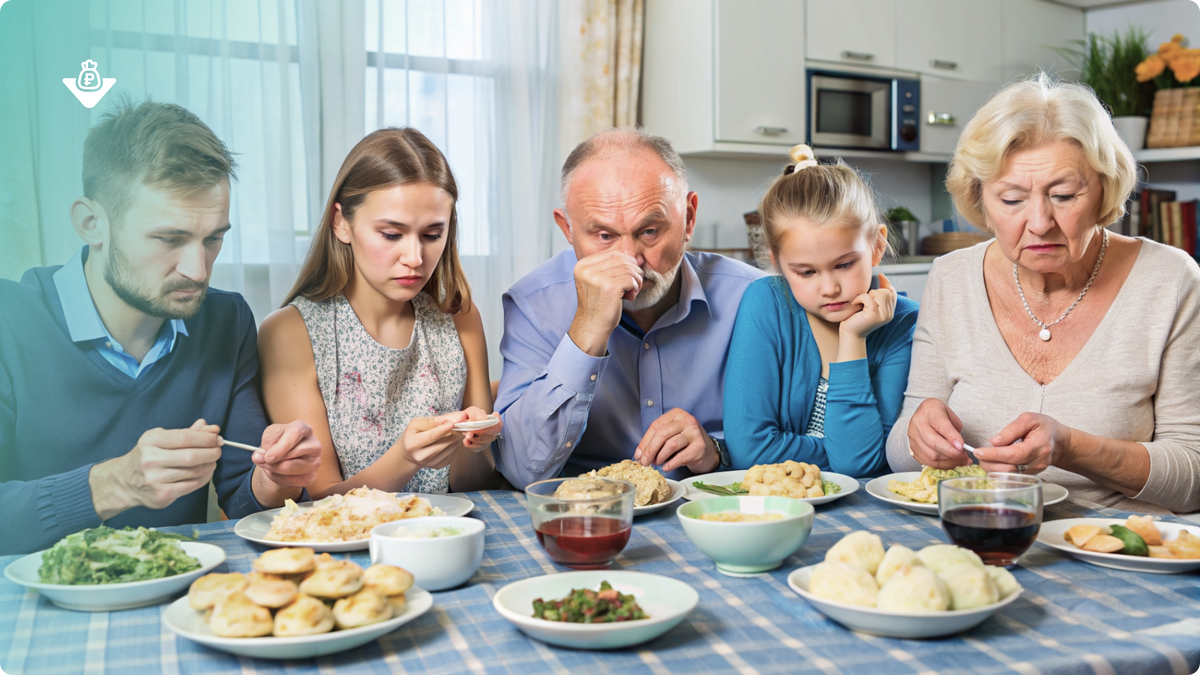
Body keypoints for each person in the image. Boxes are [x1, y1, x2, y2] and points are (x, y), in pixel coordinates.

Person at [0, 99, 322, 555]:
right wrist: (111, 484)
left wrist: (275, 479)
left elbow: (244, 498)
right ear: (92, 224)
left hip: (173, 597)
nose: (197, 269)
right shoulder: (10, 322)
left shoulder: (225, 322)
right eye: (169, 239)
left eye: (214, 238)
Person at [886, 75, 1200, 513]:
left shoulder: (1170, 280)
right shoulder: (951, 276)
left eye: (1064, 195)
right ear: (981, 200)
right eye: (1012, 199)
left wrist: (1072, 449)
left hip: (1113, 549)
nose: (1039, 222)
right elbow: (902, 453)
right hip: (981, 528)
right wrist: (917, 435)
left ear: (1104, 190)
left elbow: (1193, 477)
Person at [494, 128, 766, 489]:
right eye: (604, 236)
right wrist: (586, 330)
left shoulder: (754, 298)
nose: (630, 261)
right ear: (568, 229)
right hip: (589, 522)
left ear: (688, 217)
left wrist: (719, 453)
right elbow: (519, 470)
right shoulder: (533, 305)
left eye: (650, 231)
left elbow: (799, 444)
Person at [258, 128, 501, 498]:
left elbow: (478, 486)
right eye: (391, 234)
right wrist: (405, 458)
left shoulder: (460, 317)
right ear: (341, 223)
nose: (415, 258)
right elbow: (322, 500)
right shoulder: (291, 332)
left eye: (433, 235)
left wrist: (473, 443)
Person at [723, 146, 919, 477]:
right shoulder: (766, 303)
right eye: (806, 272)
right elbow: (749, 451)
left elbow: (859, 463)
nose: (829, 288)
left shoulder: (903, 323)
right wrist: (835, 450)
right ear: (777, 263)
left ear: (877, 246)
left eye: (844, 264)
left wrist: (853, 337)